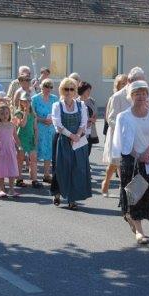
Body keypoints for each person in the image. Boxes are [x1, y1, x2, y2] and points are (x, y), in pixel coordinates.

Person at [112, 80, 149, 244]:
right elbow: (121, 141)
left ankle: (131, 216)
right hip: (131, 160)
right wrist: (138, 155)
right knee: (134, 194)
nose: (141, 96)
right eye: (137, 94)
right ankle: (139, 231)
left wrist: (146, 153)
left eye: (143, 93)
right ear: (131, 96)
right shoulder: (124, 116)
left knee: (146, 194)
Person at [103, 68, 149, 196]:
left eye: (143, 81)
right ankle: (120, 191)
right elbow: (111, 118)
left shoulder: (146, 96)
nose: (142, 85)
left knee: (141, 172)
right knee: (117, 165)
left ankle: (134, 196)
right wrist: (124, 130)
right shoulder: (118, 96)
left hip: (142, 140)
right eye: (139, 81)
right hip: (123, 139)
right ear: (130, 81)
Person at [51, 77, 92, 210]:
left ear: (75, 91)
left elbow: (83, 122)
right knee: (61, 169)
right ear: (61, 90)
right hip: (62, 140)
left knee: (77, 168)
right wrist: (71, 135)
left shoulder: (81, 105)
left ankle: (72, 199)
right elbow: (58, 125)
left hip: (78, 141)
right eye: (66, 89)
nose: (69, 92)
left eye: (71, 89)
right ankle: (57, 193)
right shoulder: (57, 105)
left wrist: (78, 135)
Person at [0, 104, 21, 198]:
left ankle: (11, 189)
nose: (5, 115)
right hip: (1, 149)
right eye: (2, 113)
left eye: (6, 113)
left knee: (12, 168)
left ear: (9, 114)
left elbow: (15, 137)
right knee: (1, 170)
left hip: (10, 149)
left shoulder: (12, 125)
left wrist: (19, 147)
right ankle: (1, 189)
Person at [33, 78, 58, 183]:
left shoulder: (54, 98)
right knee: (35, 152)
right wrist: (42, 120)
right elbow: (32, 115)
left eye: (50, 87)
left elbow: (58, 113)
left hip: (51, 129)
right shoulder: (35, 98)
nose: (48, 89)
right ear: (41, 86)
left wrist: (52, 120)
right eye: (46, 86)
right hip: (38, 128)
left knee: (49, 151)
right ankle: (33, 176)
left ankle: (46, 175)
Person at [14, 94, 41, 188]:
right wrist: (25, 113)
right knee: (20, 159)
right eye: (25, 101)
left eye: (29, 101)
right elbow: (22, 125)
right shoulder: (18, 113)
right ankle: (19, 179)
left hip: (31, 138)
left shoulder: (33, 114)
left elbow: (35, 128)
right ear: (21, 102)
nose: (27, 103)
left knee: (33, 159)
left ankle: (34, 180)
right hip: (21, 138)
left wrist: (36, 139)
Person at [78, 81, 98, 148]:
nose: (89, 92)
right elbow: (77, 117)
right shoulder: (76, 102)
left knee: (88, 150)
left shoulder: (92, 101)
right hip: (80, 132)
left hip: (90, 131)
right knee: (81, 151)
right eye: (87, 90)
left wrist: (93, 119)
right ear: (82, 90)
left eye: (90, 90)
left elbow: (95, 114)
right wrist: (88, 120)